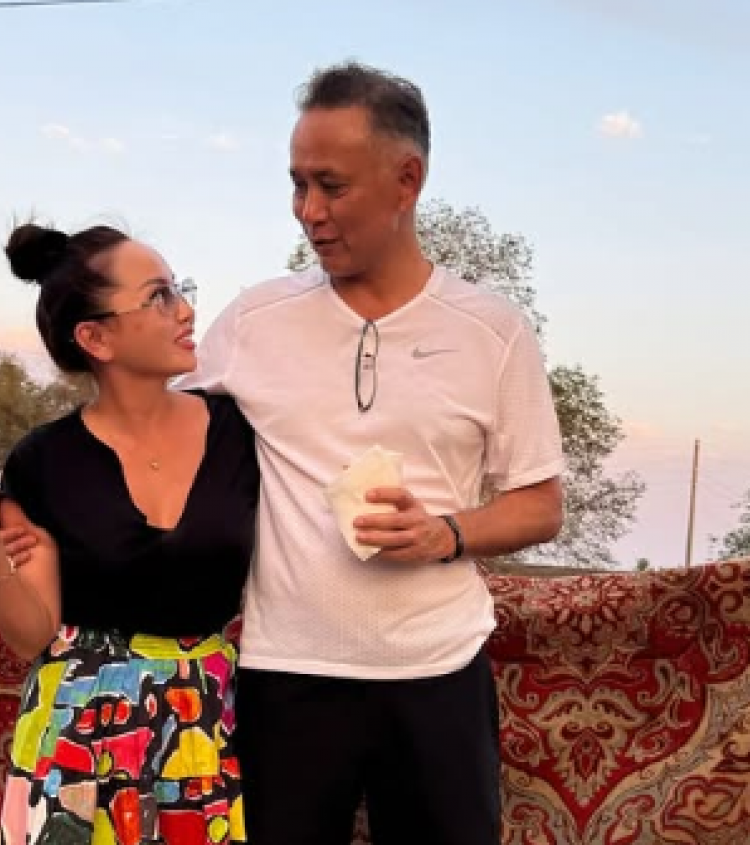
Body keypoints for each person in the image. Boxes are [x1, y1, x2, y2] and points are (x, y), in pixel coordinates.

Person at [177, 61, 566, 845]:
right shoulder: (253, 320)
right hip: (285, 678)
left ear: (406, 181)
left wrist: (443, 533)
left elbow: (540, 504)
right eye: (298, 185)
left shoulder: (492, 331)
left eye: (332, 185)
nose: (309, 211)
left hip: (438, 675)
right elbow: (154, 435)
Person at [0, 222, 259, 845]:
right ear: (95, 337)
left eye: (178, 289)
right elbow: (31, 633)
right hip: (77, 735)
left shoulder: (242, 433)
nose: (185, 310)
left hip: (204, 728)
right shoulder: (43, 462)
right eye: (158, 297)